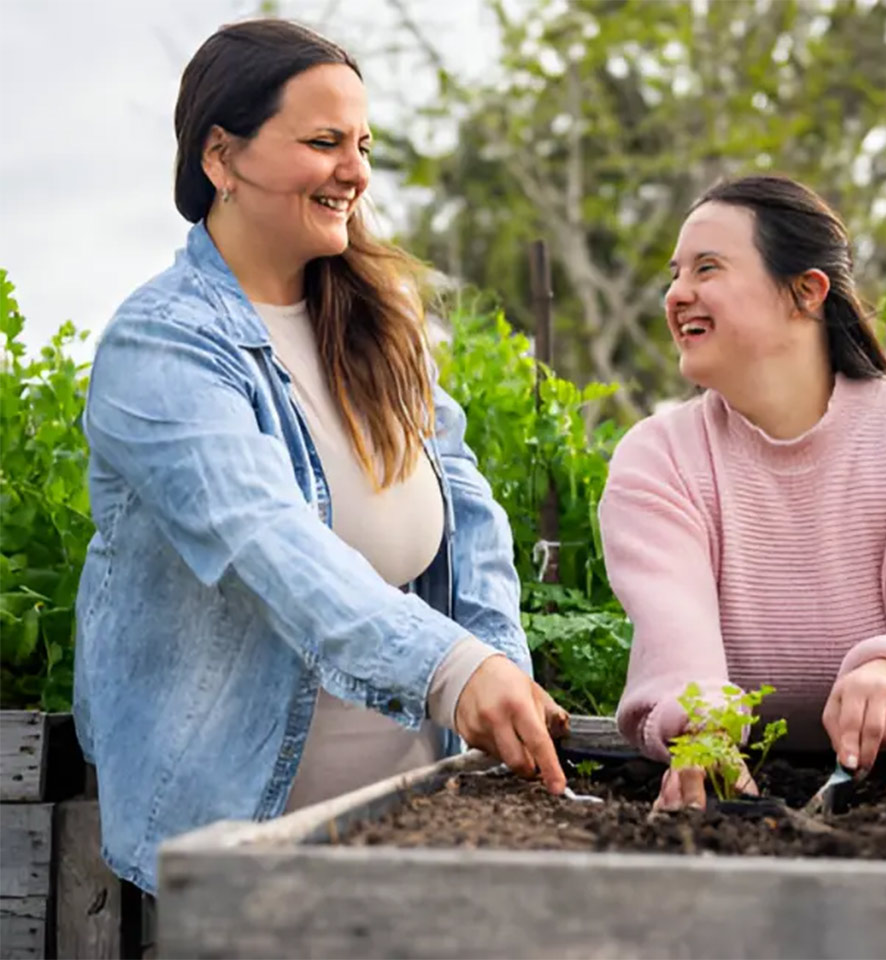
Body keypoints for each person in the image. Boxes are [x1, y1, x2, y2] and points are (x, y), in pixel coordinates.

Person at [74, 19, 565, 897]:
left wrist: (498, 664)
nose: (356, 170)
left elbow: (467, 514)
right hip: (249, 846)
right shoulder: (162, 348)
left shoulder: (381, 320)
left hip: (414, 812)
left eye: (362, 144)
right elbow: (270, 543)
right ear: (221, 157)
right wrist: (452, 672)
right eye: (324, 141)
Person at [599, 175, 886, 810]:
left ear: (806, 292)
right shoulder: (659, 458)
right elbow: (675, 638)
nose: (677, 294)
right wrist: (705, 738)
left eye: (707, 268)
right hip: (739, 781)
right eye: (675, 273)